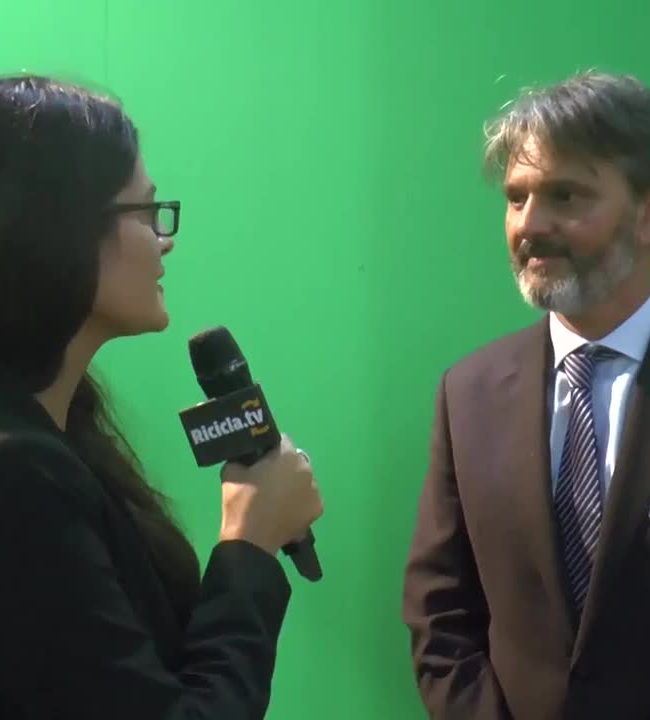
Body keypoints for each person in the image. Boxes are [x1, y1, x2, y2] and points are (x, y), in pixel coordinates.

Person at [0, 75, 323, 719]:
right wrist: (250, 543)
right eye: (146, 212)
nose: (164, 238)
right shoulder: (20, 475)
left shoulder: (62, 437)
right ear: (62, 228)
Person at [402, 70, 650, 719]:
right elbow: (440, 614)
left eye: (565, 195)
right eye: (516, 198)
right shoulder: (469, 393)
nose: (530, 224)